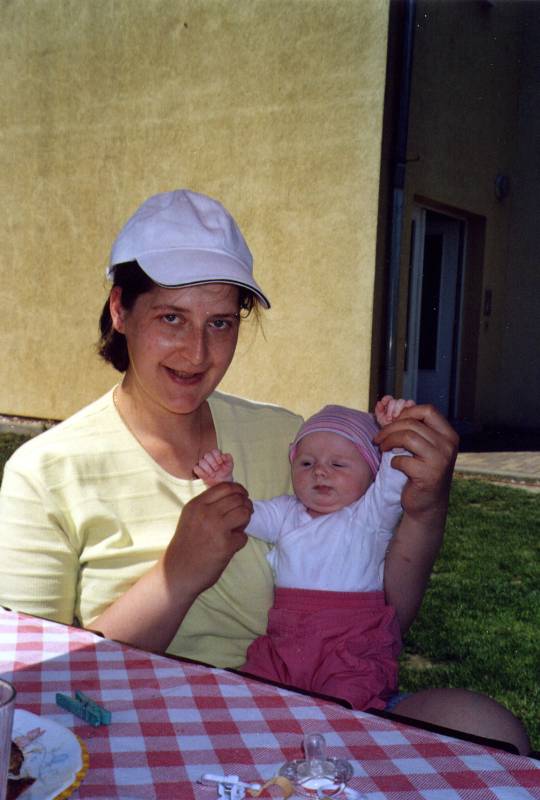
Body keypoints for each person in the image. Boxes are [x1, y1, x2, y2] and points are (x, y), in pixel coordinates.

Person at [0, 189, 530, 753]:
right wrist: (175, 579)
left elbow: (381, 619)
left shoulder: (290, 441)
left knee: (490, 730)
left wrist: (425, 510)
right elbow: (31, 688)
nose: (197, 351)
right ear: (119, 310)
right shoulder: (46, 471)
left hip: (304, 701)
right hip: (142, 725)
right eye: (171, 317)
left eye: (222, 323)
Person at [194, 397, 414, 711]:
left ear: (371, 474)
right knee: (255, 695)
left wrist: (393, 433)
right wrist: (223, 484)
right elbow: (246, 514)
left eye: (338, 464)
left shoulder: (370, 516)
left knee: (346, 705)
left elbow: (394, 479)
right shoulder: (286, 512)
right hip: (286, 640)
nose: (320, 472)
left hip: (348, 643)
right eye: (307, 463)